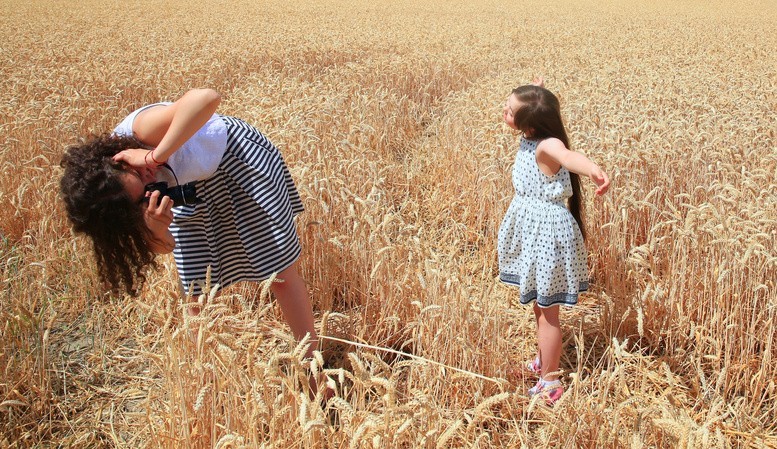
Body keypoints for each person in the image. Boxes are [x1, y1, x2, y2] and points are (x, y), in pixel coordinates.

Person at [59, 88, 321, 364]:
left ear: (119, 161)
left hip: (236, 161)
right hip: (189, 188)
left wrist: (153, 157)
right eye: (143, 195)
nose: (150, 180)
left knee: (278, 272)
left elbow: (207, 98)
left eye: (137, 174)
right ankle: (203, 379)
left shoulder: (139, 131)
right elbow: (166, 247)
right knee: (196, 289)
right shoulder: (133, 204)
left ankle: (314, 367)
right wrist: (157, 229)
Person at [498, 78, 610, 404]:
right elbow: (535, 110)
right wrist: (535, 92)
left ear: (529, 123)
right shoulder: (531, 136)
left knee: (548, 312)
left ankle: (550, 381)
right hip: (535, 231)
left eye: (509, 110)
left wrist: (593, 170)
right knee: (540, 304)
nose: (503, 112)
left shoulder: (547, 146)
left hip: (547, 235)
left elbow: (569, 156)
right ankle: (543, 361)